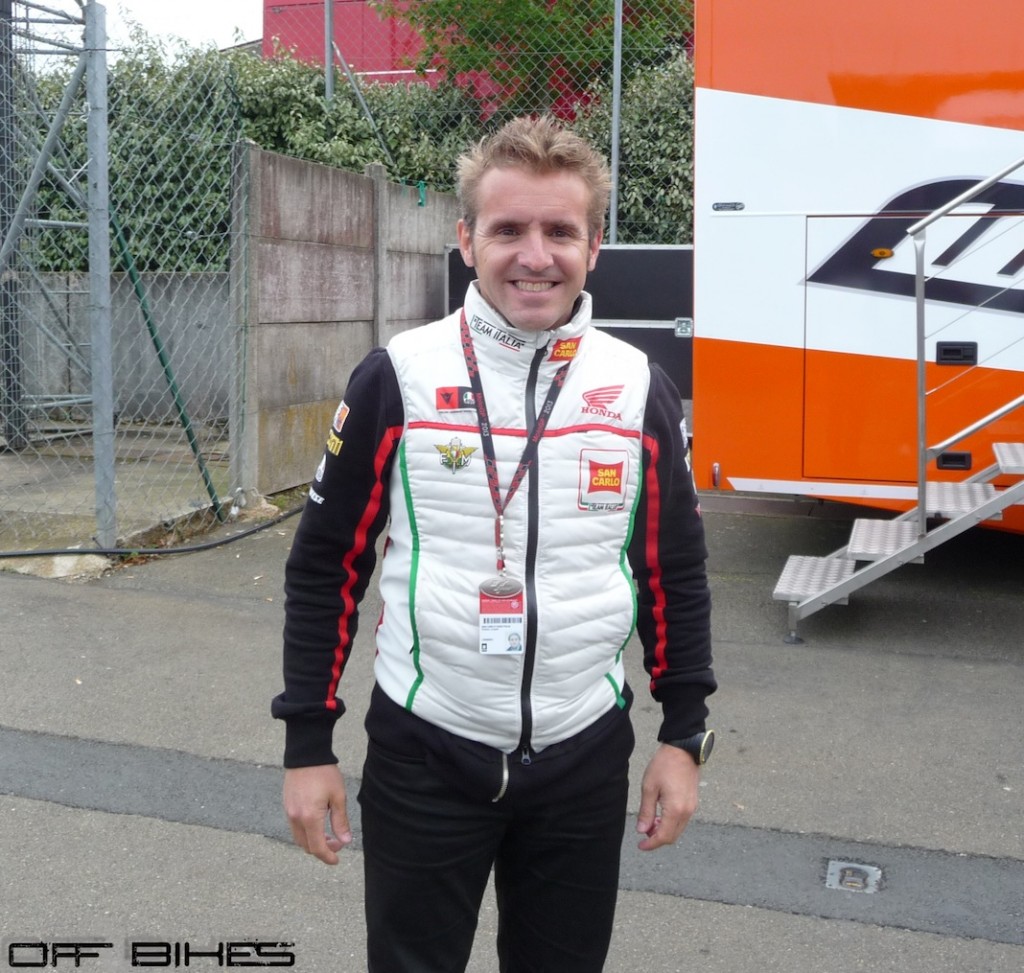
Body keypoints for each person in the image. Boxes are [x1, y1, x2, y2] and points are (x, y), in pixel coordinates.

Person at [272, 115, 716, 973]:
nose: (535, 255)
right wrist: (308, 745)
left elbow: (676, 571)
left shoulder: (636, 389)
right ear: (467, 239)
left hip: (584, 758)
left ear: (596, 248)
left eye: (560, 230)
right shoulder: (397, 376)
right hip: (426, 749)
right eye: (509, 229)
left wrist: (683, 734)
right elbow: (326, 567)